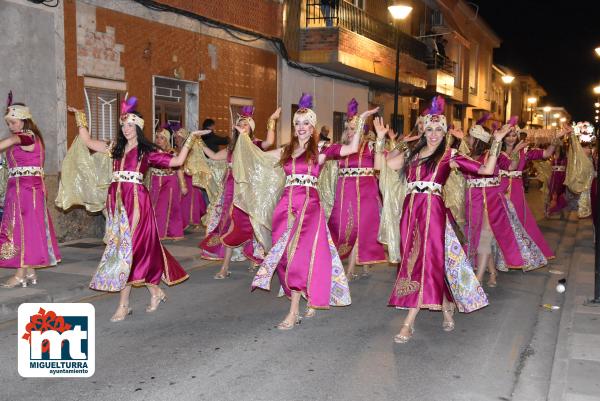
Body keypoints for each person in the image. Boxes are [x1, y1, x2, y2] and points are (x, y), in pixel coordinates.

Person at [244, 93, 378, 330]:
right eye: (297, 123)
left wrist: (362, 121)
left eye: (306, 123)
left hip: (309, 209)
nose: (301, 127)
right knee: (285, 258)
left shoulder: (322, 150)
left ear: (313, 126)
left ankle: (293, 311)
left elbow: (353, 147)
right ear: (294, 128)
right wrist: (255, 131)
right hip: (284, 210)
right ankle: (304, 291)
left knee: (299, 257)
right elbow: (256, 158)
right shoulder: (285, 151)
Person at [375, 96, 503, 343]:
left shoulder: (450, 155)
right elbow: (383, 167)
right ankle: (445, 304)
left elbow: (486, 170)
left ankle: (408, 324)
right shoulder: (412, 153)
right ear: (423, 128)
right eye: (429, 128)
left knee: (425, 261)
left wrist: (496, 144)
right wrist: (383, 139)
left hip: (433, 212)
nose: (433, 134)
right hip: (410, 213)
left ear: (445, 131)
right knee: (418, 262)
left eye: (438, 129)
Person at [67, 97, 201, 321]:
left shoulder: (146, 151)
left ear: (138, 126)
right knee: (132, 251)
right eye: (123, 125)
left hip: (137, 203)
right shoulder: (115, 148)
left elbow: (177, 162)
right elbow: (88, 141)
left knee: (128, 251)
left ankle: (124, 304)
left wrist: (191, 140)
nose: (126, 129)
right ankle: (155, 291)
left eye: (130, 125)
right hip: (118, 204)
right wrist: (80, 116)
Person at [463, 116, 546, 286]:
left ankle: (477, 280)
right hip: (474, 201)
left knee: (485, 238)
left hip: (492, 199)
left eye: (469, 136)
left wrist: (515, 152)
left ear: (476, 139)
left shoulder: (493, 155)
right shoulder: (467, 155)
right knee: (480, 239)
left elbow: (511, 167)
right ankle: (492, 272)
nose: (467, 139)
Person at [199, 106, 279, 278]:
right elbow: (213, 156)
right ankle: (224, 268)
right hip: (230, 192)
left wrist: (272, 120)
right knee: (230, 227)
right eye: (240, 124)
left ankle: (255, 258)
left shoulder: (255, 145)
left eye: (246, 124)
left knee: (253, 225)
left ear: (250, 128)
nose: (242, 126)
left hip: (249, 192)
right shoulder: (231, 148)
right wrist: (195, 141)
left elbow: (269, 142)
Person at [0, 93, 61, 287]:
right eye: (9, 123)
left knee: (22, 230)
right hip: (18, 189)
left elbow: (8, 143)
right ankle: (31, 272)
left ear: (24, 120)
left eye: (14, 122)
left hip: (27, 190)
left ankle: (20, 274)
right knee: (21, 229)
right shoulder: (20, 138)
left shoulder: (28, 137)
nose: (11, 127)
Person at [328, 98, 386, 280]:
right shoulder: (341, 148)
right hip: (344, 193)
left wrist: (381, 140)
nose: (351, 132)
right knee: (345, 227)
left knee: (360, 228)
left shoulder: (369, 146)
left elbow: (378, 167)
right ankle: (361, 261)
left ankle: (351, 268)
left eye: (355, 128)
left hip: (365, 192)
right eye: (349, 129)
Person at [500, 127, 569, 260]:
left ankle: (519, 254)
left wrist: (556, 139)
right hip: (499, 190)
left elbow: (546, 154)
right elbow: (509, 166)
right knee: (501, 221)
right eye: (508, 135)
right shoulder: (496, 152)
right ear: (503, 137)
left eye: (514, 135)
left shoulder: (524, 152)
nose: (511, 138)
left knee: (519, 220)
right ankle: (502, 256)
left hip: (516, 191)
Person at [148, 125, 185, 240]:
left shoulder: (172, 152)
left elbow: (178, 167)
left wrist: (183, 185)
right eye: (157, 137)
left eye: (162, 138)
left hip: (169, 181)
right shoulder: (151, 151)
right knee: (153, 206)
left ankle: (169, 233)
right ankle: (154, 232)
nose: (158, 140)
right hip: (155, 180)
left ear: (167, 139)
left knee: (167, 207)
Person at [174, 126, 206, 231]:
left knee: (189, 200)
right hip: (177, 177)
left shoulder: (189, 150)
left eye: (179, 138)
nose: (177, 139)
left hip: (188, 176)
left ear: (184, 139)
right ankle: (183, 221)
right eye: (176, 138)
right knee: (180, 201)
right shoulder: (174, 149)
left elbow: (192, 162)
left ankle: (191, 221)